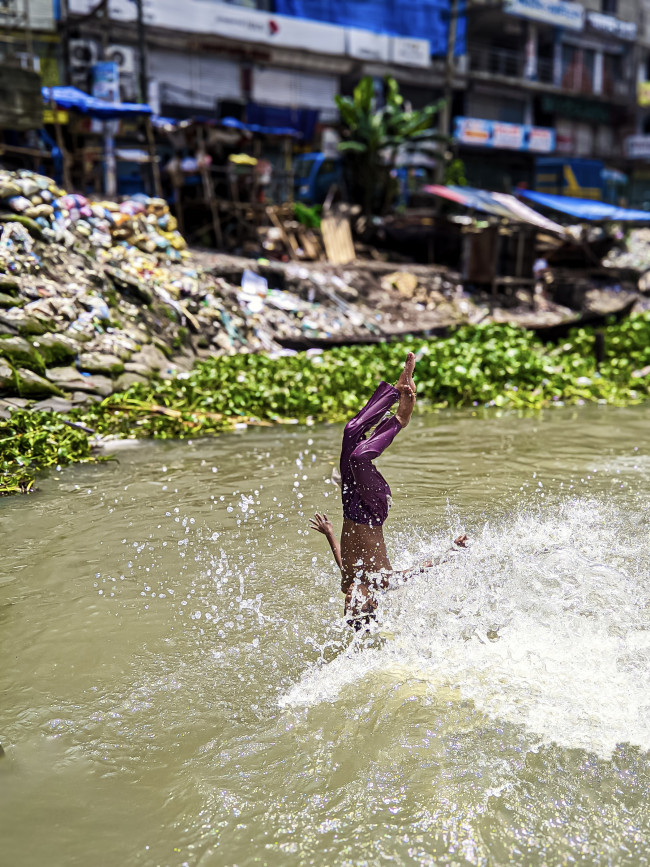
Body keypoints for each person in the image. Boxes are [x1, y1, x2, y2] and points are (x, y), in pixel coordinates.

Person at [310, 351, 467, 631]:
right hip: (372, 510)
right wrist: (451, 550)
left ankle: (394, 392)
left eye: (347, 603)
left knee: (351, 430)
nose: (349, 597)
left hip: (349, 507)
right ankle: (400, 420)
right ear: (370, 601)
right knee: (360, 457)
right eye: (355, 601)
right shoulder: (380, 582)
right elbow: (419, 570)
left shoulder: (349, 581)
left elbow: (341, 559)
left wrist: (330, 533)